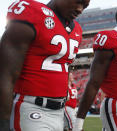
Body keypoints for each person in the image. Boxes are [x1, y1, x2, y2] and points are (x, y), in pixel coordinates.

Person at [0, 0, 90, 130]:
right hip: (30, 108)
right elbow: (5, 73)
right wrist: (3, 122)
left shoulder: (77, 30)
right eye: (78, 2)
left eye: (85, 6)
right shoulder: (32, 12)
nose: (80, 9)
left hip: (59, 112)